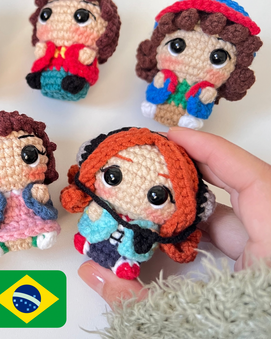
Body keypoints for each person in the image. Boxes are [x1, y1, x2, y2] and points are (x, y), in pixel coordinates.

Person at [78, 127, 271, 336]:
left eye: (157, 196)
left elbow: (143, 246)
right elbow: (91, 218)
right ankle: (88, 243)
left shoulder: (150, 228)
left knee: (134, 250)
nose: (127, 193)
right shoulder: (102, 206)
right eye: (113, 176)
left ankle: (123, 262)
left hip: (130, 248)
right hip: (96, 234)